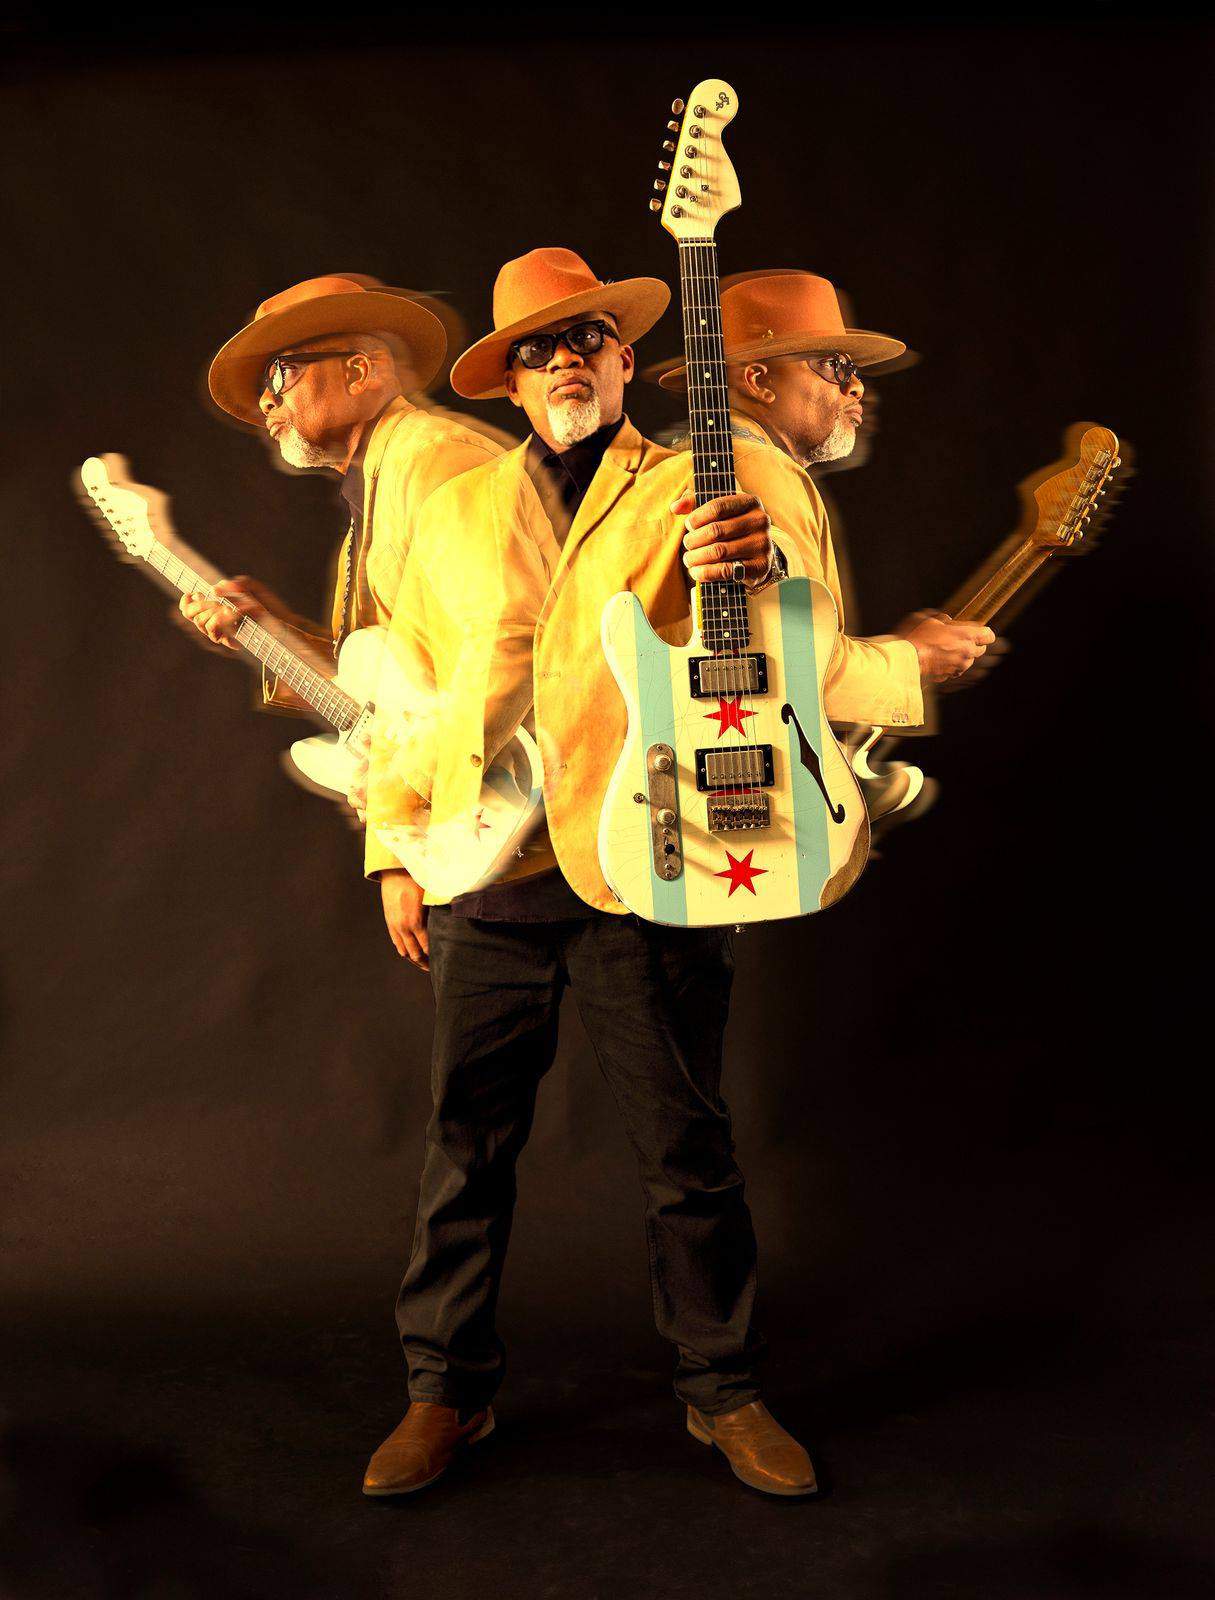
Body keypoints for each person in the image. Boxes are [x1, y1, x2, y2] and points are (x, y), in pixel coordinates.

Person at [359, 247, 989, 1502]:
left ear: (620, 357)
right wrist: (392, 844)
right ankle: (445, 1389)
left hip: (650, 861)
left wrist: (751, 570)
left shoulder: (703, 481)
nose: (563, 362)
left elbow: (781, 649)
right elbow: (410, 683)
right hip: (484, 869)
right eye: (535, 349)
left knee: (686, 1150)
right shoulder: (457, 508)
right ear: (506, 380)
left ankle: (724, 1388)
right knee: (463, 1150)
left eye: (585, 339)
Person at [180, 272, 506, 916]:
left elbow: (504, 649)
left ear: (361, 371)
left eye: (280, 374)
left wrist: (396, 831)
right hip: (465, 831)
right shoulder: (376, 486)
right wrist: (265, 634)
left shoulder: (438, 462)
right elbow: (395, 688)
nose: (266, 403)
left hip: (503, 832)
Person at [646, 268, 995, 695]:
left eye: (853, 369)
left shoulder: (679, 463)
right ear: (758, 381)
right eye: (834, 366)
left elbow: (755, 651)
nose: (857, 387)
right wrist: (916, 658)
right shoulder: (760, 467)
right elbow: (803, 672)